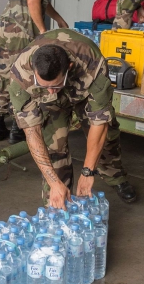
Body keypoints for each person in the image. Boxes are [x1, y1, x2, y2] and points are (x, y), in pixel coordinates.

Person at [8, 28, 137, 209]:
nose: (51, 91)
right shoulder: (20, 75)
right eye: (43, 86)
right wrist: (53, 182)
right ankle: (58, 200)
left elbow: (99, 123)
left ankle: (115, 177)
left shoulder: (92, 63)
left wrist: (87, 171)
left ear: (68, 68)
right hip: (48, 104)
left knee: (107, 139)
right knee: (54, 146)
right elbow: (32, 132)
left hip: (83, 93)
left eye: (55, 85)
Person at [0, 0, 71, 144]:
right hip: (22, 32)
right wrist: (43, 31)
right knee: (23, 78)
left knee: (5, 75)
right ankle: (17, 129)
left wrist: (59, 19)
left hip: (7, 29)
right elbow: (33, 1)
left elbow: (41, 2)